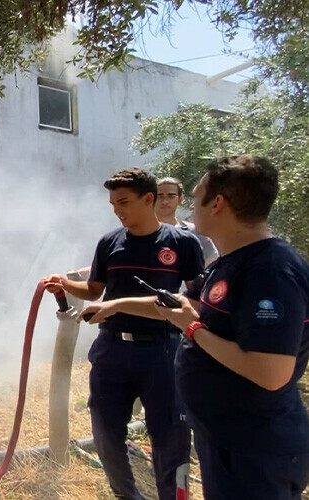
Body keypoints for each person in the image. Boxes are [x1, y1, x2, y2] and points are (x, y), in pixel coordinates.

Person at [151, 156, 309, 499]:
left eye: (195, 196)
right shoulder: (230, 261)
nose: (192, 206)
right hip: (227, 439)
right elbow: (190, 305)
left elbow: (270, 371)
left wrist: (192, 329)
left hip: (255, 449)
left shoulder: (270, 270)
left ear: (218, 203)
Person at [44, 168, 204, 500]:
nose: (118, 210)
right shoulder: (109, 242)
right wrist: (63, 283)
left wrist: (118, 305)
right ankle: (127, 495)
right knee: (105, 434)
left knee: (171, 438)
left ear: (149, 199)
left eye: (124, 202)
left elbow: (192, 299)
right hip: (112, 351)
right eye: (113, 204)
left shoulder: (182, 243)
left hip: (163, 351)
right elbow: (93, 290)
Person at [157, 177, 218, 266]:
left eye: (171, 196)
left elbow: (212, 258)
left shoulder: (194, 231)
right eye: (160, 196)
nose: (165, 201)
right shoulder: (140, 231)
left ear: (180, 199)